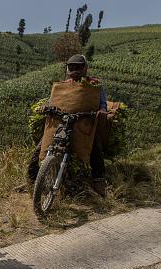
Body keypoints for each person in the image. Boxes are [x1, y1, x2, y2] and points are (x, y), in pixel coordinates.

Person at [27, 54, 108, 196]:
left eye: (78, 67)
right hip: (62, 122)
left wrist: (102, 110)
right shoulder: (63, 86)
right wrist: (45, 106)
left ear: (85, 68)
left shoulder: (94, 85)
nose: (75, 70)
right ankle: (32, 179)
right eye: (71, 67)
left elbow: (102, 103)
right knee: (40, 148)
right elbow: (54, 101)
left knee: (95, 148)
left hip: (83, 123)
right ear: (67, 69)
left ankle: (99, 180)